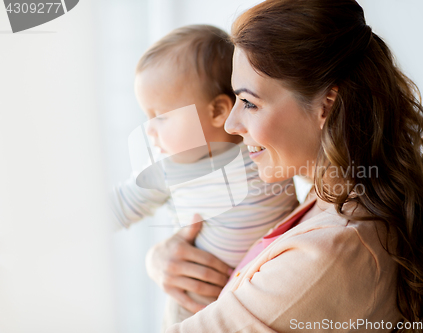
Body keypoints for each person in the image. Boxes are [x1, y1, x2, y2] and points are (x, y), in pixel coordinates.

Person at [154, 1, 423, 332]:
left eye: (249, 103)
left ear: (327, 105)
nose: (230, 124)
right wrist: (165, 259)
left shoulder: (331, 253)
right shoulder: (329, 200)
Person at [109, 25, 298, 329]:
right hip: (194, 301)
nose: (149, 129)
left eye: (160, 116)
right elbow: (117, 207)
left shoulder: (263, 150)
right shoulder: (168, 170)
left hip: (255, 298)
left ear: (217, 112)